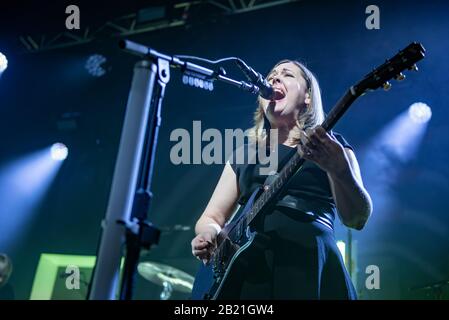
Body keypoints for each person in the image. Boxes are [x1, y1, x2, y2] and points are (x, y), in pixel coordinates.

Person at [191, 59, 373, 299]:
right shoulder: (244, 154)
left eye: (287, 74)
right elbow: (212, 217)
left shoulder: (331, 146)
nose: (274, 79)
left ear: (308, 96)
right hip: (247, 270)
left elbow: (357, 218)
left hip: (307, 262)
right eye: (271, 75)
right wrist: (207, 233)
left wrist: (339, 171)